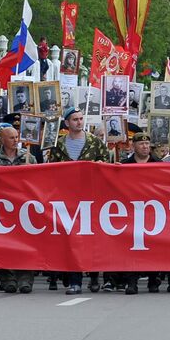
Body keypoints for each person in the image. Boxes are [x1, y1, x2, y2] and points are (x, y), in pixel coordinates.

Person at [44, 108, 114, 294]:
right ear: (67, 123)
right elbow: (51, 172)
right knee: (72, 240)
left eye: (81, 119)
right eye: (75, 119)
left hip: (91, 199)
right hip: (68, 200)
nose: (79, 122)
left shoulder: (95, 142)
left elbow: (107, 167)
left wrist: (101, 166)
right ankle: (75, 281)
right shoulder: (58, 145)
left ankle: (93, 276)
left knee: (92, 238)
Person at [0, 123, 36, 294]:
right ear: (2, 139)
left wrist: (31, 172)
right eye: (11, 137)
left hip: (23, 208)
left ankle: (25, 279)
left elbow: (38, 183)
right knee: (3, 245)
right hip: (1, 208)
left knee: (26, 244)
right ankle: (8, 279)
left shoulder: (28, 158)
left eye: (16, 137)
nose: (15, 140)